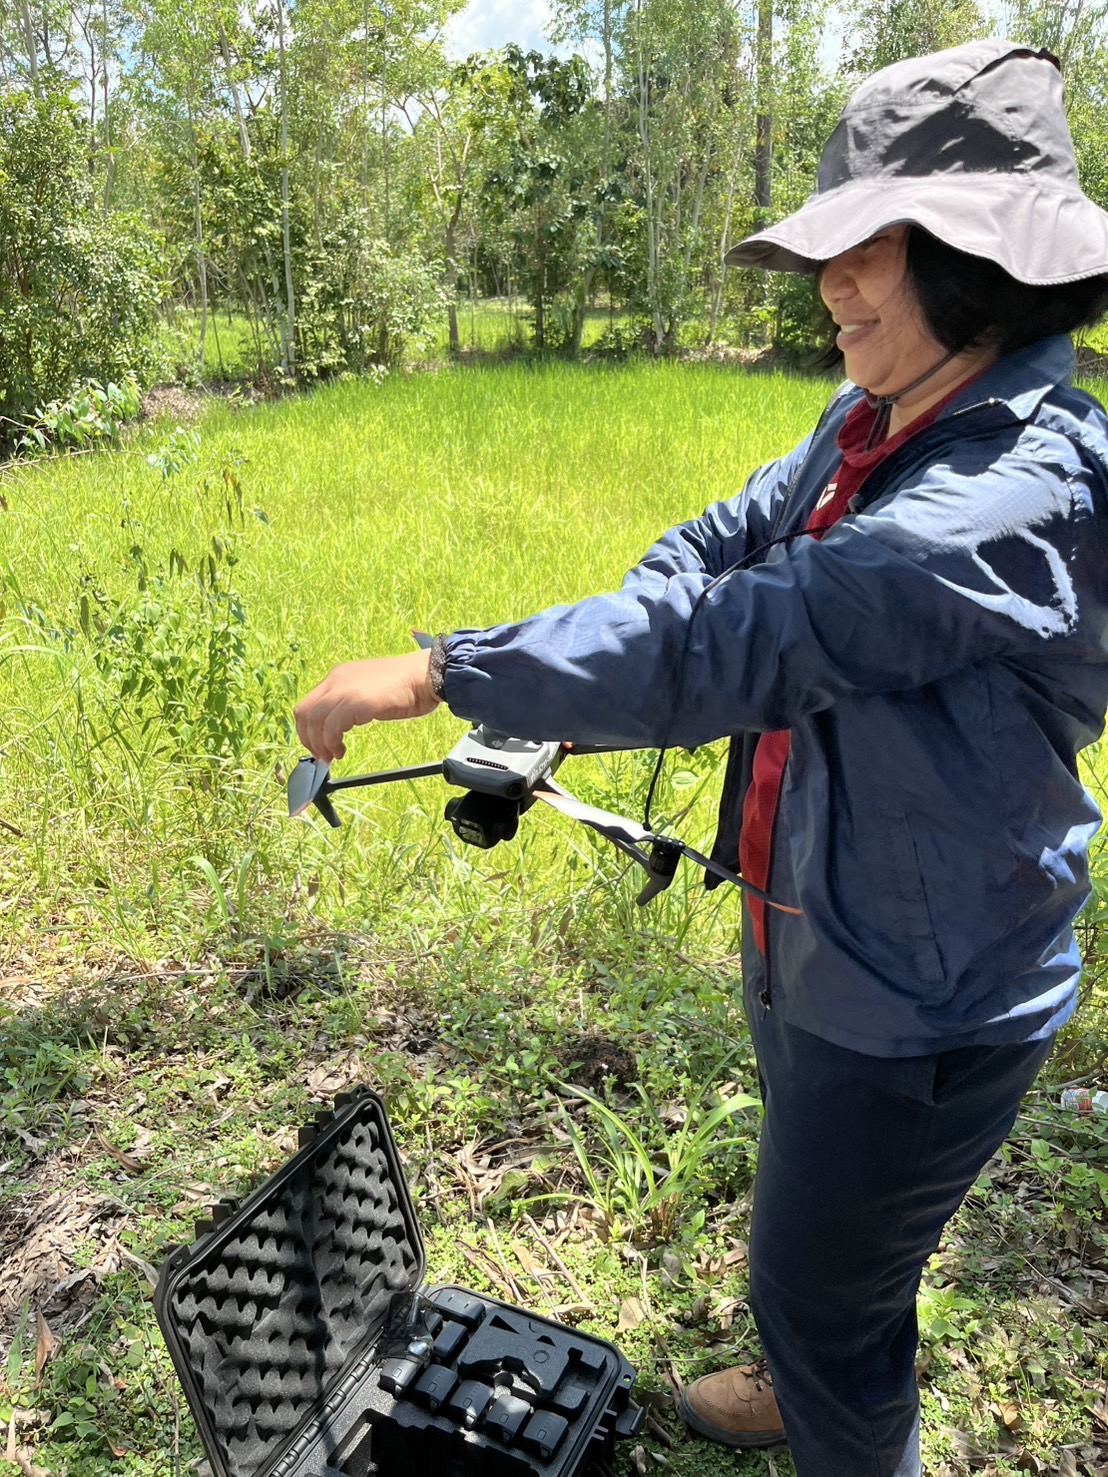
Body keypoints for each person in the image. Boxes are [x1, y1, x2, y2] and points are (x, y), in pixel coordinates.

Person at [295, 39, 1108, 1477]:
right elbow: (721, 548)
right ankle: (816, 1364)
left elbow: (755, 628)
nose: (833, 283)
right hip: (817, 918)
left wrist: (448, 670)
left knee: (819, 1280)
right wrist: (572, 685)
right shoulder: (876, 418)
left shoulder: (1008, 490)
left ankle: (831, 1393)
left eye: (873, 247)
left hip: (924, 991)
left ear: (982, 263)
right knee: (833, 1233)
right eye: (828, 248)